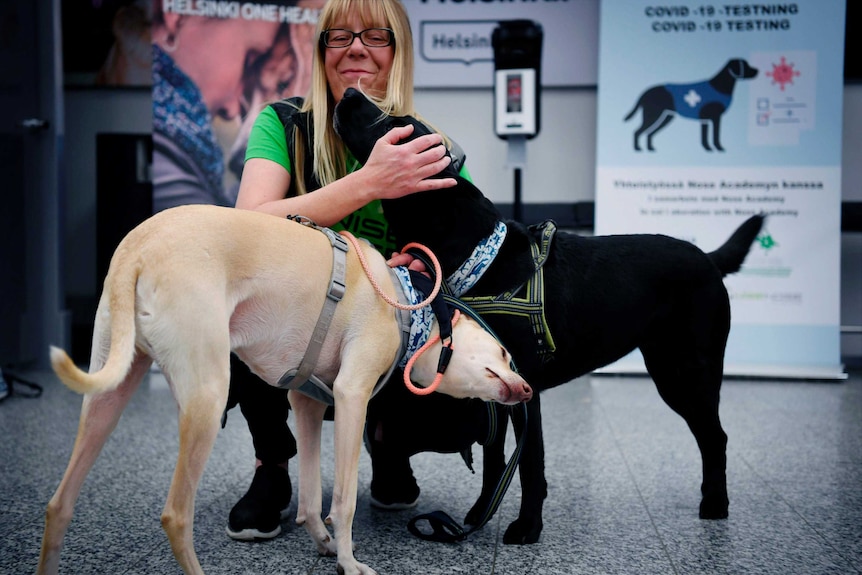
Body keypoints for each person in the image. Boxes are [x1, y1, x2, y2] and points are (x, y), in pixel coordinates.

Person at [226, 0, 473, 541]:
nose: (356, 47)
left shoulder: (428, 146)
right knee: (243, 301)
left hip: (382, 328)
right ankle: (272, 467)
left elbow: (463, 255)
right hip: (290, 323)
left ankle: (388, 444)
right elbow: (248, 225)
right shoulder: (284, 123)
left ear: (398, 53)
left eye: (375, 36)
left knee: (453, 340)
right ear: (320, 53)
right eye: (338, 36)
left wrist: (426, 268)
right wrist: (368, 183)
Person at [151, 5, 286, 211]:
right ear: (177, 15)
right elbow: (211, 233)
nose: (232, 110)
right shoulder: (164, 158)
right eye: (251, 58)